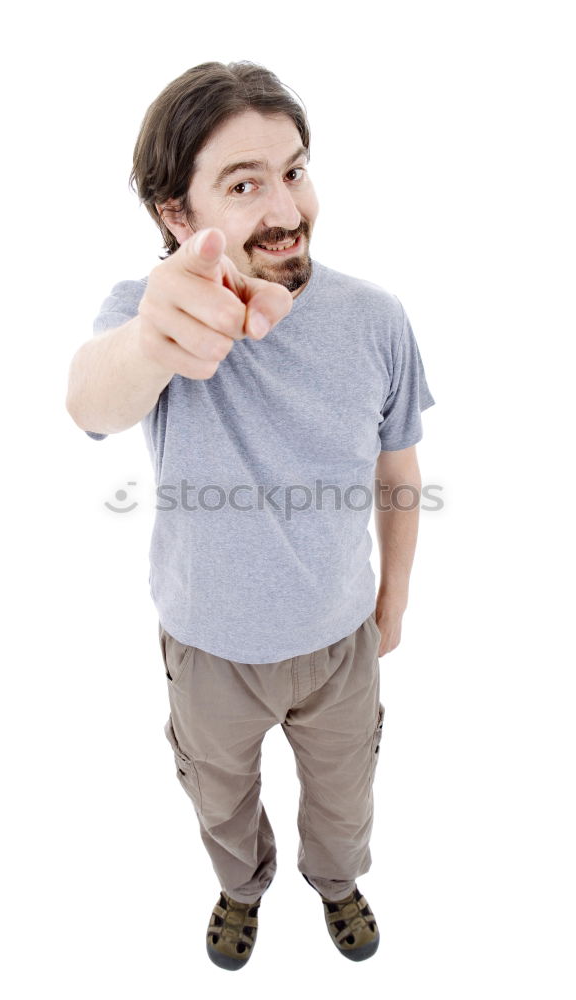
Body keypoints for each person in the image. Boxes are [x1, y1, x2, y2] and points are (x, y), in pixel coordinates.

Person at [66, 60, 436, 970]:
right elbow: (91, 401)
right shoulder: (147, 315)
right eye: (243, 184)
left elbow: (399, 466)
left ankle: (337, 884)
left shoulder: (377, 319)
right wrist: (156, 337)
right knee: (221, 800)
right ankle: (242, 890)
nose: (285, 207)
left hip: (339, 640)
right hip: (207, 650)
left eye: (294, 170)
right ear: (177, 217)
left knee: (345, 798)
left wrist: (393, 602)